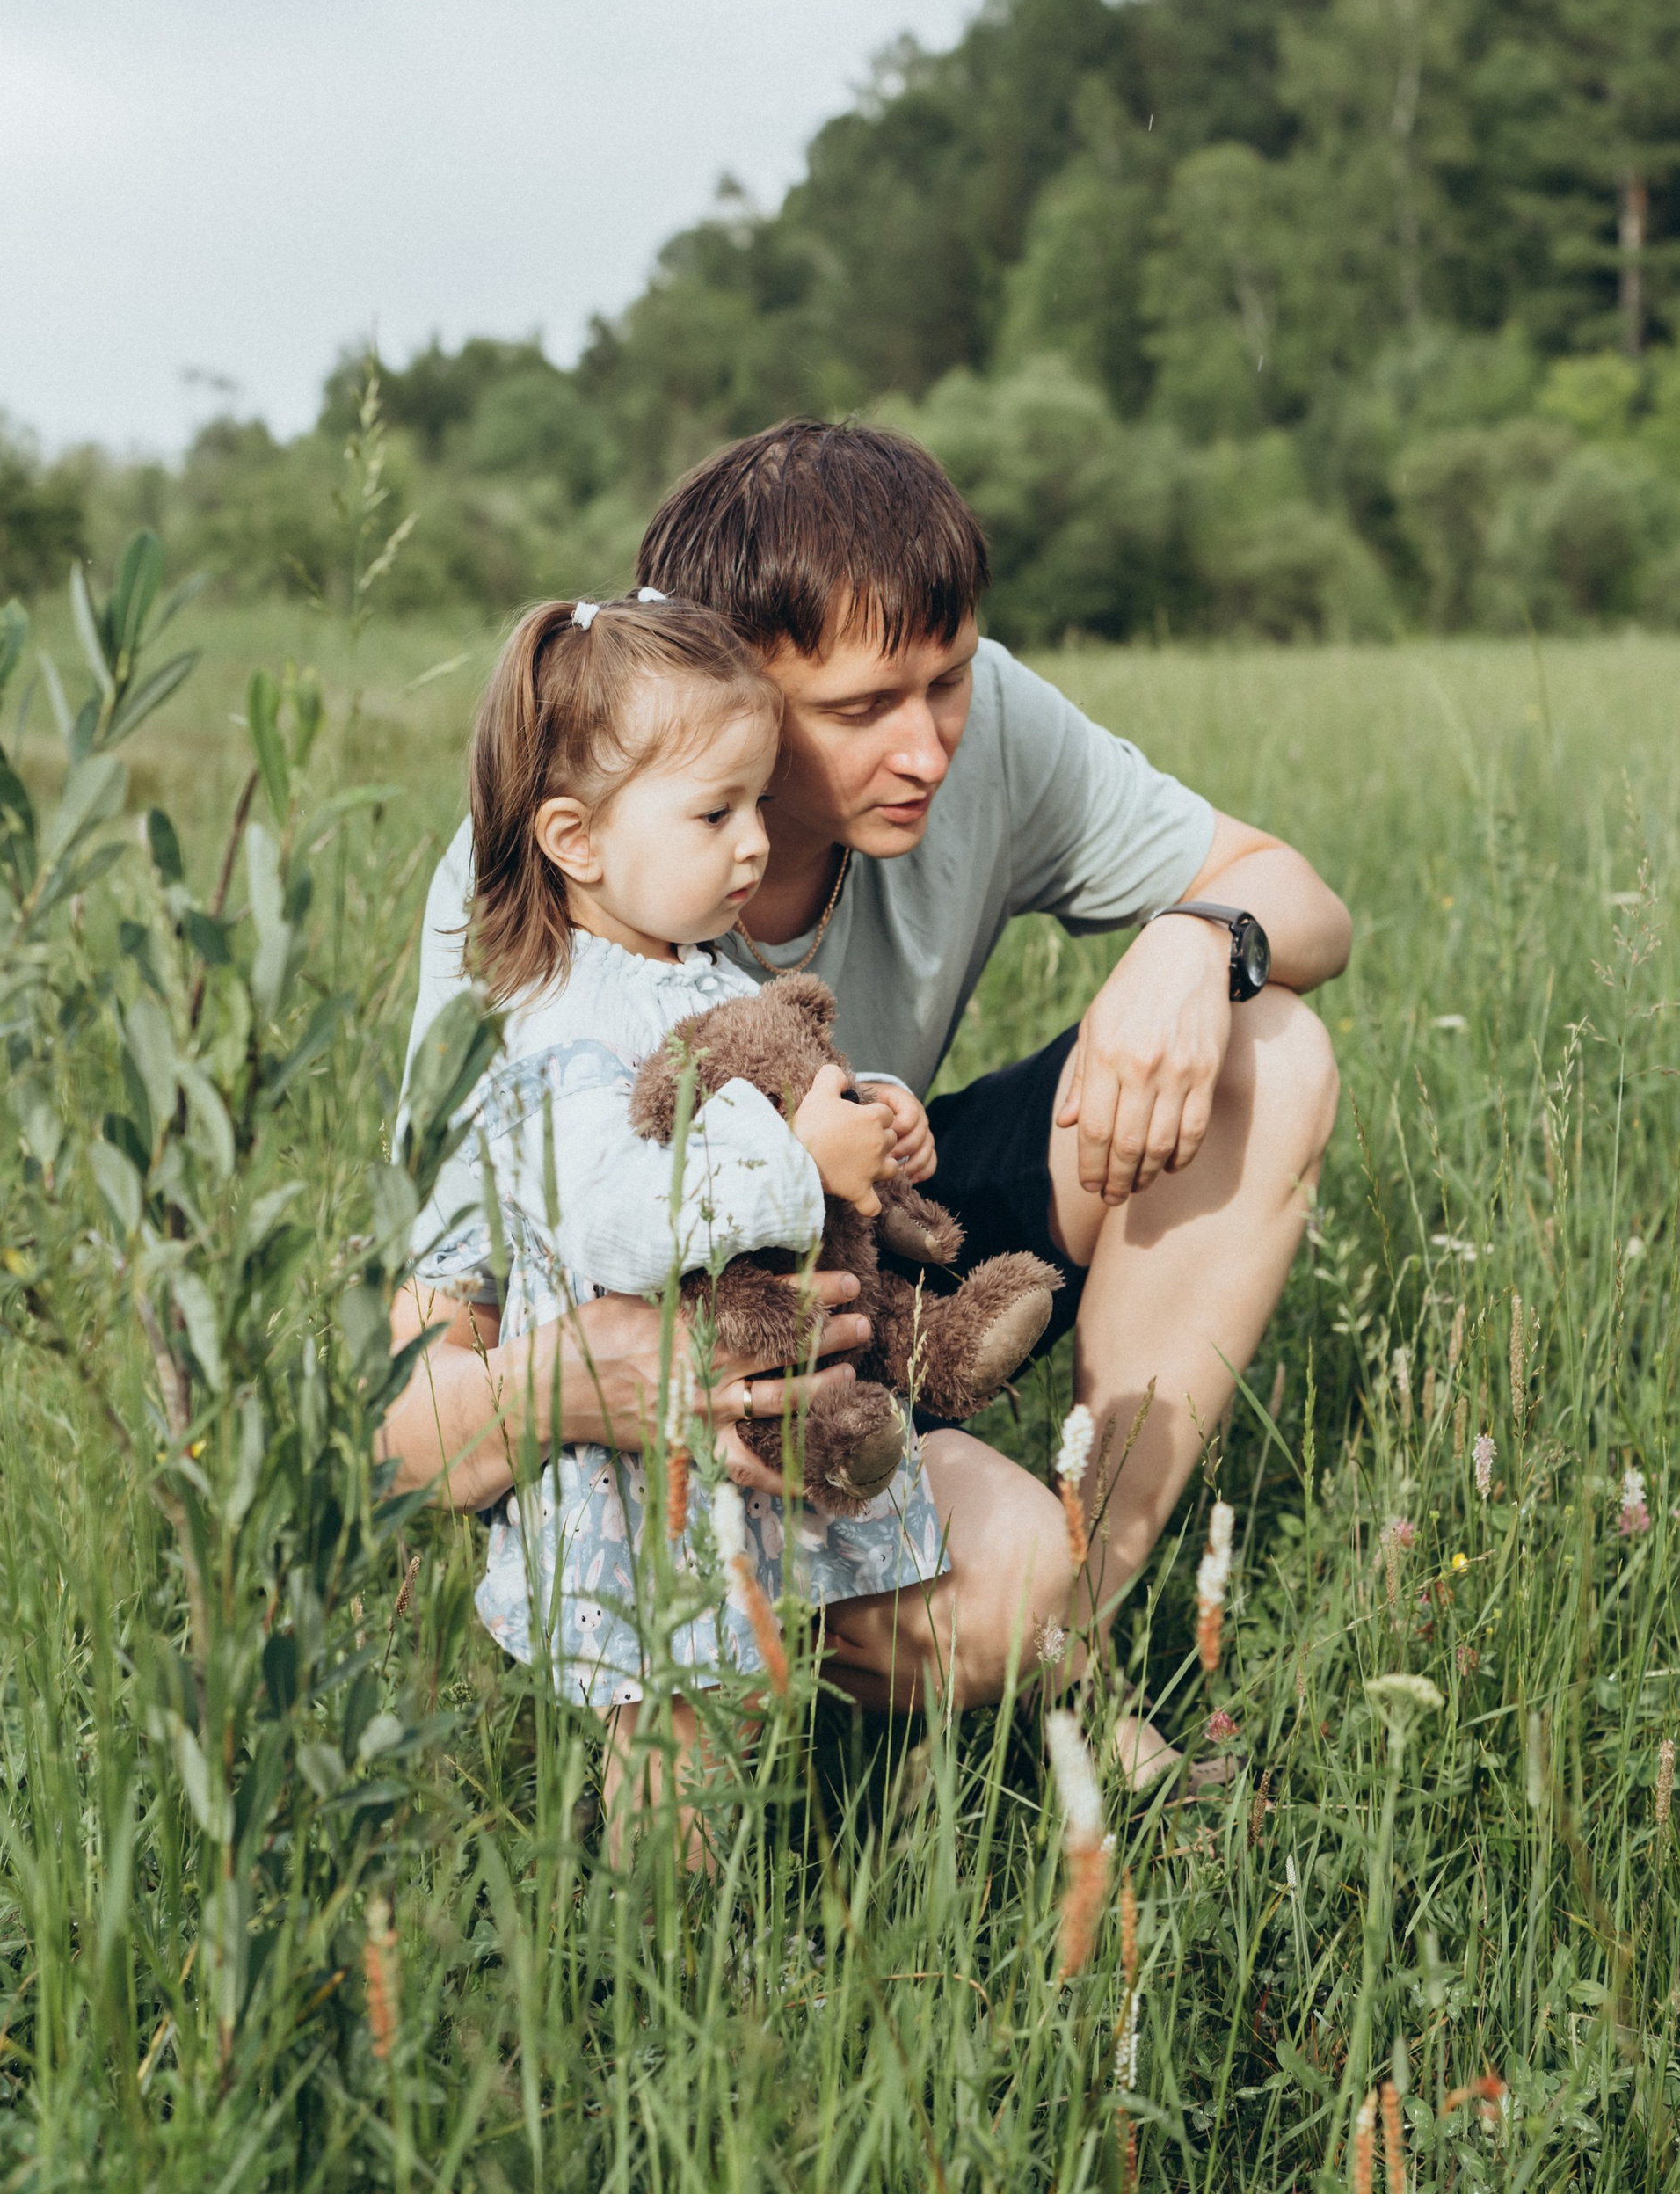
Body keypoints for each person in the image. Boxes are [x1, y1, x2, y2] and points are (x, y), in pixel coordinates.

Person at [382, 421, 1349, 1774]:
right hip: (668, 1359)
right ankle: (761, 1671)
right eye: (856, 714)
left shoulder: (980, 712)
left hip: (872, 1240)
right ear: (733, 692)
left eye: (944, 682)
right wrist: (587, 1384)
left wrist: (1201, 943)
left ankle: (1087, 1613)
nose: (928, 750)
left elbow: (1304, 899)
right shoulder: (549, 886)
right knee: (973, 1596)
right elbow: (414, 1420)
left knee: (1272, 1048)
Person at [401, 585, 944, 1829]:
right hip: (626, 1461)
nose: (755, 841)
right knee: (671, 1716)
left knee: (741, 1685)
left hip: (711, 1419)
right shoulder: (560, 1024)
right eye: (716, 812)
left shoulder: (684, 964)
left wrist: (872, 1111)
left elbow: (769, 1087)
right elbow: (621, 1221)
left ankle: (765, 1873)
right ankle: (659, 1952)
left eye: (759, 802)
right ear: (577, 841)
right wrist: (805, 1159)